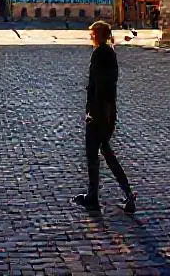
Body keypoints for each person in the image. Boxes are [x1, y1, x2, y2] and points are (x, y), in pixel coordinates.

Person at [73, 21, 136, 214]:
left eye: (92, 34)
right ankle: (127, 194)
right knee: (107, 154)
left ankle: (93, 197)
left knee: (93, 155)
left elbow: (99, 86)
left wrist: (93, 112)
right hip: (108, 112)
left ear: (99, 35)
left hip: (99, 113)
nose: (90, 37)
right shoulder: (110, 53)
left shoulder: (100, 53)